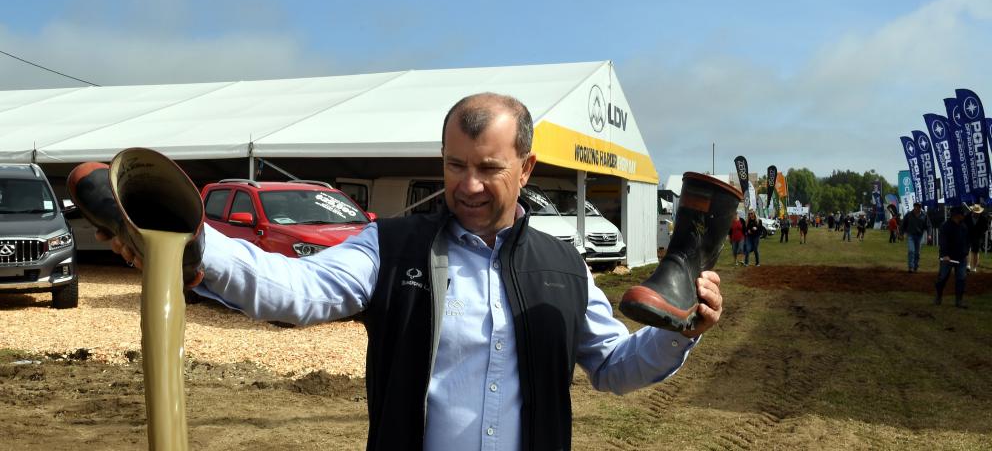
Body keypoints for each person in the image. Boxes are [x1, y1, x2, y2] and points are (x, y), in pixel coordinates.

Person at [92, 93, 723, 451]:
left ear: (526, 169)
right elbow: (296, 287)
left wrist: (679, 329)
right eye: (453, 165)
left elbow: (613, 365)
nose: (467, 185)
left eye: (488, 168)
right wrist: (198, 250)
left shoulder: (563, 265)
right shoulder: (389, 247)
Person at [935, 205, 970, 308]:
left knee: (961, 278)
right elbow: (943, 242)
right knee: (942, 278)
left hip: (961, 258)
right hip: (947, 258)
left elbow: (967, 241)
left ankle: (959, 301)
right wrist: (945, 255)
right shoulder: (945, 226)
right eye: (961, 214)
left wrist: (966, 252)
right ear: (956, 215)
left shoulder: (963, 226)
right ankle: (938, 296)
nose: (963, 216)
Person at [901, 202, 928, 273]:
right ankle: (911, 267)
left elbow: (929, 225)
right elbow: (903, 224)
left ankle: (915, 267)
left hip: (919, 236)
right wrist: (901, 233)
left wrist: (930, 234)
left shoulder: (924, 215)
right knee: (911, 251)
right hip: (911, 235)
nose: (916, 208)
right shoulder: (909, 214)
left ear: (920, 208)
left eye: (918, 207)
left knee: (917, 253)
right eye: (915, 206)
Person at [966, 204, 989, 272]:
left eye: (978, 213)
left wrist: (980, 234)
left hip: (977, 236)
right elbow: (963, 225)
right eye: (975, 213)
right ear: (972, 211)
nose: (976, 214)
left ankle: (974, 267)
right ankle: (967, 265)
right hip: (967, 235)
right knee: (966, 250)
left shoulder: (983, 218)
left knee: (975, 251)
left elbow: (985, 227)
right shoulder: (967, 217)